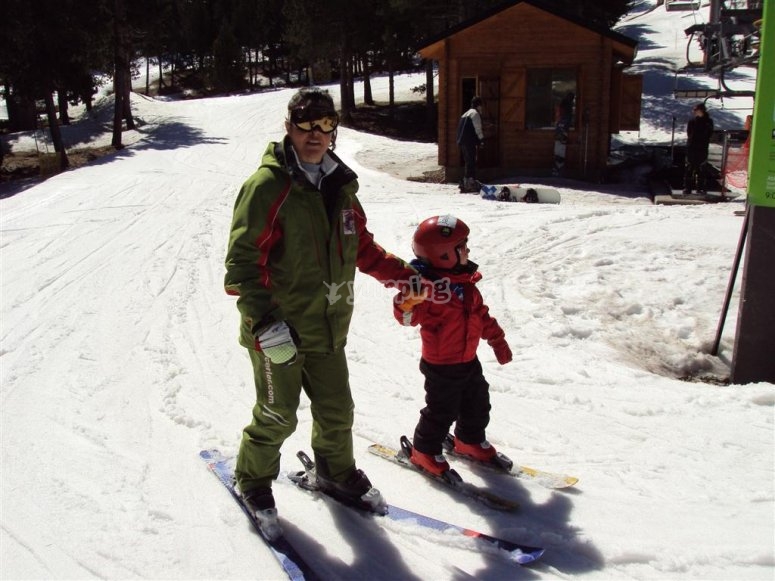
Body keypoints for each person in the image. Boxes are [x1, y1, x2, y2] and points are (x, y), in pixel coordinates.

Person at [224, 87, 417, 539]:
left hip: (328, 327)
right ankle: (252, 479)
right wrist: (264, 322)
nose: (315, 134)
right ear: (289, 128)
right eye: (306, 125)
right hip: (278, 332)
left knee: (337, 410)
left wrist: (403, 276)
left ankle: (335, 472)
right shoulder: (268, 187)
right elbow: (242, 265)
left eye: (325, 125)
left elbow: (361, 247)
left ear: (334, 130)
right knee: (279, 413)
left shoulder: (340, 186)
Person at [393, 215, 513, 476]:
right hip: (441, 365)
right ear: (444, 255)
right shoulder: (427, 290)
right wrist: (406, 303)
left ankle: (469, 440)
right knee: (441, 410)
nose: (468, 251)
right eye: (462, 247)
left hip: (468, 360)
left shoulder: (466, 284)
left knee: (478, 402)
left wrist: (497, 339)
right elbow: (407, 318)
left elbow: (481, 315)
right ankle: (424, 451)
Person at [683, 102, 714, 194]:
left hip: (702, 147)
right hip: (692, 147)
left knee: (701, 168)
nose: (694, 111)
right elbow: (689, 133)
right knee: (689, 168)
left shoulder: (708, 121)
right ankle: (687, 188)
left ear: (701, 110)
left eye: (696, 110)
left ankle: (700, 188)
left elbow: (709, 134)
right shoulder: (692, 121)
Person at [456, 97, 485, 193]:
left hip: (462, 141)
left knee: (468, 161)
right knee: (471, 161)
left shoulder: (465, 113)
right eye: (481, 105)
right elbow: (478, 128)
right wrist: (481, 139)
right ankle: (470, 182)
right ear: (478, 105)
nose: (481, 108)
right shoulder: (475, 114)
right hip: (469, 141)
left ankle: (466, 181)